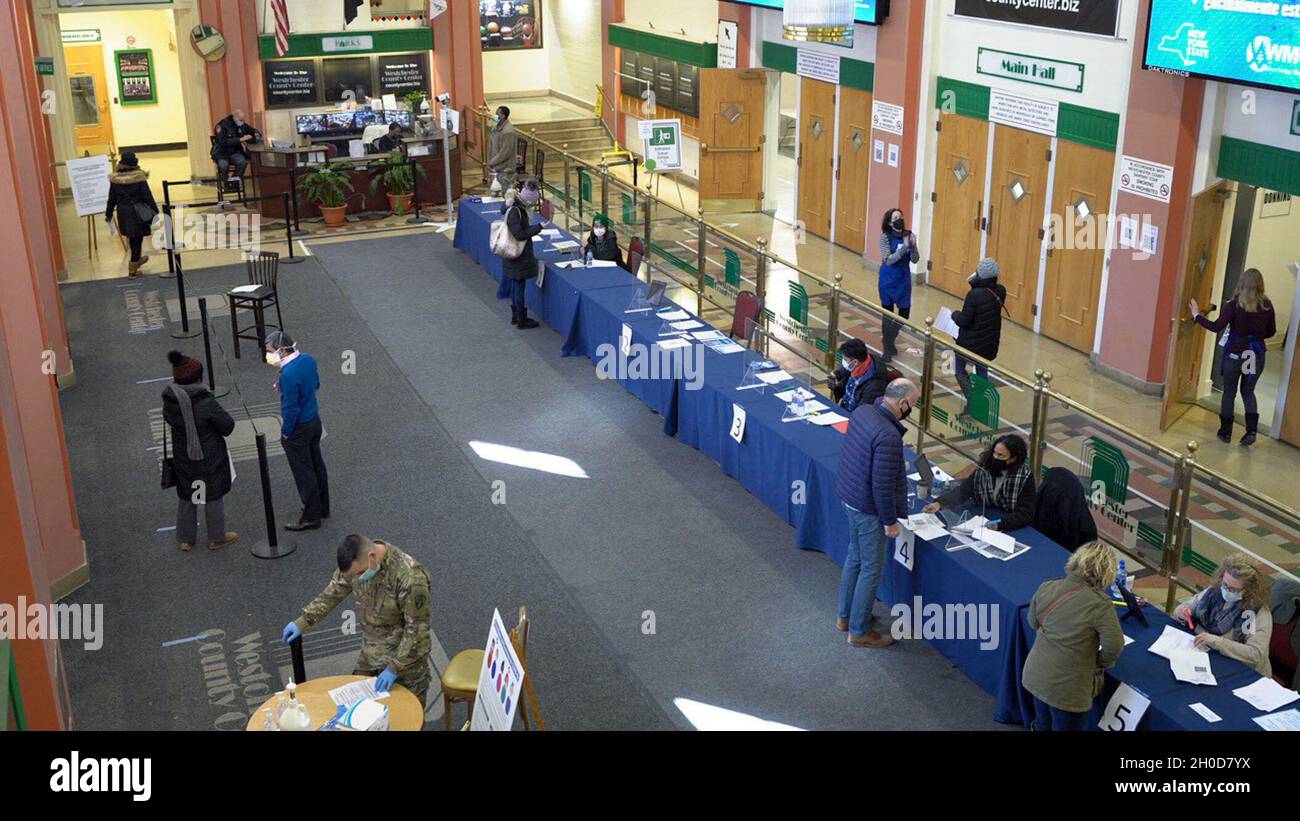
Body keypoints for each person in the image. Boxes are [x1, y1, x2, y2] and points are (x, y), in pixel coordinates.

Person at [282, 535, 433, 706]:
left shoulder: (410, 578)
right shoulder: (356, 566)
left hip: (406, 661)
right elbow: (333, 592)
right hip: (371, 653)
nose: (359, 578)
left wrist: (394, 668)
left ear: (372, 557)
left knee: (406, 717)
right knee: (355, 711)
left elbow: (417, 632)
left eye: (361, 573)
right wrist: (303, 621)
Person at [835, 378, 919, 648]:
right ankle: (859, 631)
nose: (911, 410)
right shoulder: (889, 436)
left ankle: (845, 617)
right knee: (871, 569)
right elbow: (881, 485)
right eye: (913, 405)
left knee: (854, 559)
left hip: (848, 497)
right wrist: (889, 521)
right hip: (869, 509)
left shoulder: (862, 411)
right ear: (903, 402)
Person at [1022, 542, 1126, 730]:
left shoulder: (1048, 586)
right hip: (1068, 689)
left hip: (1036, 675)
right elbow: (1114, 646)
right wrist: (1098, 662)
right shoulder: (1100, 605)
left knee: (1042, 724)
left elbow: (1033, 622)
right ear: (1106, 573)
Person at [1190, 268, 1277, 445]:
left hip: (1235, 355)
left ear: (1242, 283)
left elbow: (1216, 327)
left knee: (1229, 392)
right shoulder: (1267, 306)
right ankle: (1251, 432)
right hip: (1253, 355)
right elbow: (1271, 332)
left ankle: (1226, 432)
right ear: (1260, 285)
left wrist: (1197, 316)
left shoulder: (1234, 304)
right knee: (1248, 391)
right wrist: (1255, 336)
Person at [161, 351, 238, 551]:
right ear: (198, 378)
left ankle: (186, 539)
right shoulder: (205, 401)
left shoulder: (170, 399)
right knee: (212, 494)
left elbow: (169, 420)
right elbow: (227, 426)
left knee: (188, 493)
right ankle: (216, 537)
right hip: (209, 457)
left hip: (183, 455)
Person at [266, 331, 330, 531]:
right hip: (314, 420)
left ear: (282, 350)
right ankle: (322, 507)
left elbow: (291, 409)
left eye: (270, 351)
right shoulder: (308, 359)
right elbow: (315, 384)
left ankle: (311, 516)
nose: (269, 355)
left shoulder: (288, 374)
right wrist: (287, 387)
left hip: (298, 428)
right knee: (316, 464)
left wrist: (286, 432)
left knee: (304, 472)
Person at [1172, 554, 1274, 677]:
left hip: (1244, 671)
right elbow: (1190, 605)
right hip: (1208, 654)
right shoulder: (1214, 591)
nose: (1227, 591)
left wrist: (1217, 642)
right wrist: (1182, 611)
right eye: (1225, 585)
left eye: (1234, 589)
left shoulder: (1255, 613)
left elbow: (1254, 653)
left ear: (1249, 590)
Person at [923, 434, 1036, 532]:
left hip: (1007, 522)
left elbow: (1025, 512)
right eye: (994, 453)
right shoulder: (986, 468)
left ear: (1013, 459)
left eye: (1001, 456)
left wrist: (1000, 525)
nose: (995, 457)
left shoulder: (1024, 477)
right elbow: (965, 490)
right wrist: (940, 503)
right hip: (982, 515)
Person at [951, 257, 1006, 415]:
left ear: (979, 275)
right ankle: (981, 403)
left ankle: (972, 401)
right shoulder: (1001, 291)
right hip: (988, 343)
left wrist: (954, 314)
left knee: (959, 369)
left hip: (969, 343)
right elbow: (985, 298)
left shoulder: (973, 295)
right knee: (982, 372)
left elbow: (964, 320)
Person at [103, 151, 158, 277]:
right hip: (137, 212)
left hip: (123, 212)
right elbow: (147, 196)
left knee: (132, 237)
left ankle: (136, 259)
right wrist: (155, 211)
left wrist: (109, 213)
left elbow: (111, 198)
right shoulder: (139, 177)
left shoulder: (115, 179)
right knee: (137, 238)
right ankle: (133, 266)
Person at [502, 178, 544, 330]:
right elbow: (519, 234)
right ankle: (521, 319)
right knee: (519, 286)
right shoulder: (517, 211)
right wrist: (538, 227)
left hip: (512, 255)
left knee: (515, 285)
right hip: (518, 254)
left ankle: (516, 316)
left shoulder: (512, 206)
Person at [877, 208, 918, 360]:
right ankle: (887, 348)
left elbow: (915, 259)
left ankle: (888, 339)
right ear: (890, 222)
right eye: (895, 217)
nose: (899, 219)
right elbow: (888, 259)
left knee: (904, 314)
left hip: (903, 280)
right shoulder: (885, 238)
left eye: (900, 216)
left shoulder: (909, 235)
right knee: (887, 315)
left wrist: (913, 246)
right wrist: (903, 249)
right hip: (888, 280)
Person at [827, 338, 891, 413]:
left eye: (845, 360)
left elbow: (862, 412)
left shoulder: (874, 386)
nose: (844, 362)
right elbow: (845, 369)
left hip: (853, 416)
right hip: (843, 406)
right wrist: (836, 374)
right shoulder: (862, 361)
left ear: (855, 362)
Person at [211, 109, 261, 186]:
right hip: (222, 153)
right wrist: (240, 139)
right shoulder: (222, 125)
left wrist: (256, 134)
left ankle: (234, 181)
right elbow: (223, 142)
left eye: (243, 119)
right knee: (224, 166)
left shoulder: (240, 124)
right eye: (241, 119)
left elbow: (252, 130)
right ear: (235, 117)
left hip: (235, 152)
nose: (243, 121)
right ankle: (226, 183)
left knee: (242, 162)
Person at [486, 105, 519, 194]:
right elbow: (491, 146)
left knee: (506, 195)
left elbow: (505, 152)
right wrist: (489, 161)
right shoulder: (495, 129)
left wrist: (492, 162)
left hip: (505, 169)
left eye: (497, 114)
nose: (495, 115)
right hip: (496, 167)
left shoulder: (509, 131)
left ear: (503, 116)